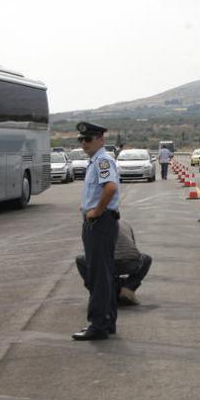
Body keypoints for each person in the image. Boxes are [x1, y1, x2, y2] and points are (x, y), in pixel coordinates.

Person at [73, 121, 121, 341]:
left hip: (100, 224)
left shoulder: (102, 160)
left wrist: (96, 211)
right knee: (105, 274)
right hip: (101, 222)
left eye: (88, 139)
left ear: (101, 138)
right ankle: (108, 321)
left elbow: (110, 187)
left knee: (98, 276)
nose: (84, 143)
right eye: (81, 140)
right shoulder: (96, 161)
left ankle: (98, 325)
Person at [75, 220, 152, 306]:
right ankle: (128, 288)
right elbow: (132, 247)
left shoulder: (91, 225)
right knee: (147, 259)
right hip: (130, 263)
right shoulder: (125, 223)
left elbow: (90, 251)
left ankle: (100, 292)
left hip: (105, 264)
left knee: (80, 260)